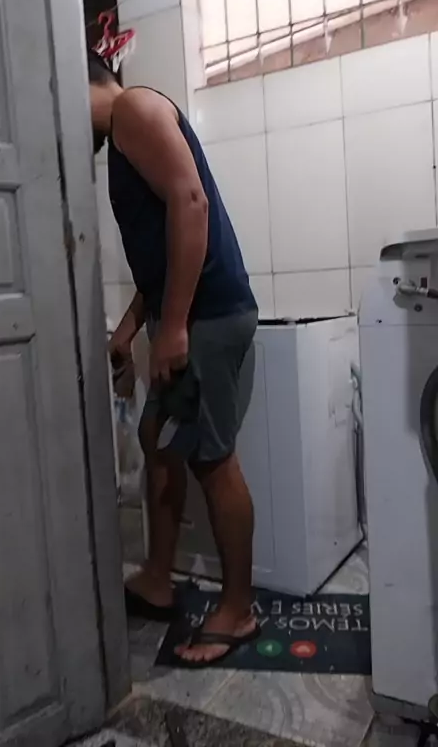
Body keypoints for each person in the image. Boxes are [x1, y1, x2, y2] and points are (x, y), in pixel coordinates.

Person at [88, 51, 259, 666]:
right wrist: (134, 327)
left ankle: (238, 609)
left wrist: (177, 324)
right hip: (190, 313)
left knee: (213, 459)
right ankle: (158, 578)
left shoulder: (133, 108)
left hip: (207, 315)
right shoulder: (123, 136)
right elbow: (164, 247)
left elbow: (191, 203)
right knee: (158, 439)